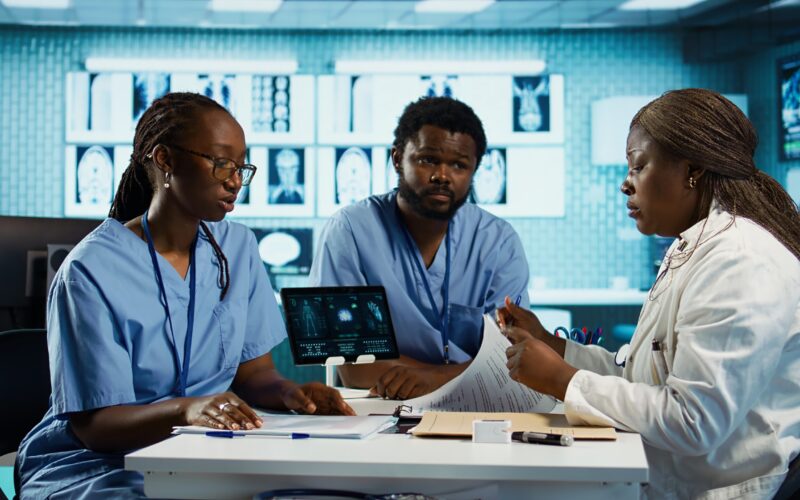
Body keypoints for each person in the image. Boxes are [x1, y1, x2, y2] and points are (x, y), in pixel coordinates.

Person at [17, 92, 354, 499]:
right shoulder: (90, 270)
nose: (234, 180)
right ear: (165, 160)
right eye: (221, 162)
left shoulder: (238, 248)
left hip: (206, 451)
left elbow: (253, 375)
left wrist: (289, 393)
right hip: (103, 463)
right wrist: (186, 410)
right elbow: (96, 427)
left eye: (241, 166)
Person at [500, 88, 800, 499]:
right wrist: (555, 348)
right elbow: (644, 381)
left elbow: (694, 420)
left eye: (638, 166)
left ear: (691, 170)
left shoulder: (740, 261)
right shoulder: (693, 247)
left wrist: (563, 379)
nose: (626, 184)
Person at [310, 96, 530, 400]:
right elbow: (354, 367)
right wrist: (462, 372)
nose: (442, 175)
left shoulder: (498, 242)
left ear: (474, 170)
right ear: (398, 158)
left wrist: (429, 377)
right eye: (428, 160)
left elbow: (512, 364)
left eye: (458, 165)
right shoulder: (350, 231)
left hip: (476, 409)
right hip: (378, 408)